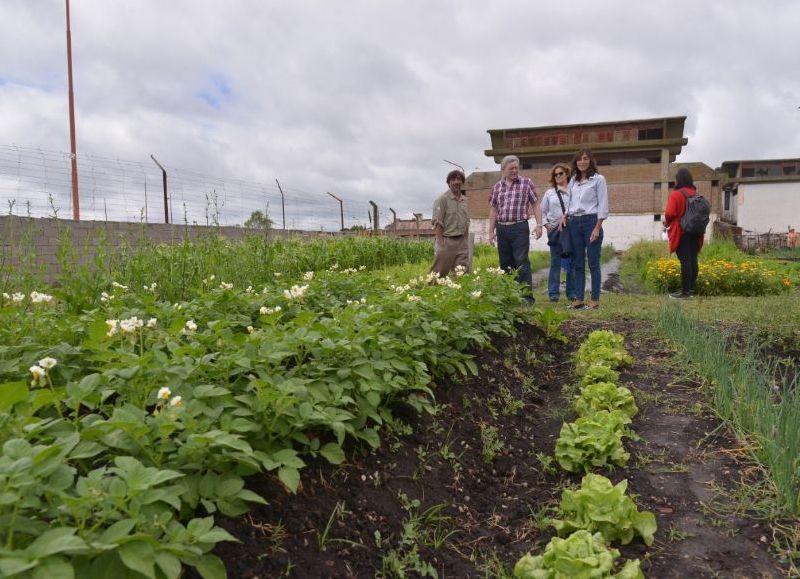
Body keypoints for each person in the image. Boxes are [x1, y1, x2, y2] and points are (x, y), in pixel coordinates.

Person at [488, 155, 543, 303]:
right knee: (505, 263)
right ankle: (510, 297)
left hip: (519, 227)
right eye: (511, 168)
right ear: (503, 169)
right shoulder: (497, 187)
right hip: (502, 229)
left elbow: (536, 204)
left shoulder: (526, 183)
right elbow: (493, 210)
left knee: (521, 261)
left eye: (516, 168)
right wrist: (490, 232)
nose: (514, 171)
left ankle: (526, 298)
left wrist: (539, 225)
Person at [563, 149, 608, 309]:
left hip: (591, 222)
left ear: (590, 161)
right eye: (579, 159)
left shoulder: (598, 179)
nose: (582, 162)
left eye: (585, 159)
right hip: (574, 222)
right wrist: (565, 215)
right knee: (578, 263)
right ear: (576, 163)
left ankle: (594, 300)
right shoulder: (573, 181)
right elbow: (571, 202)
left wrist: (597, 227)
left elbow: (603, 204)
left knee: (593, 262)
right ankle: (579, 299)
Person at [664, 167, 704, 298]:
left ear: (678, 180)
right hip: (696, 231)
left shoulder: (676, 194)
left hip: (682, 231)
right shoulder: (696, 194)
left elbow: (670, 213)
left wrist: (667, 222)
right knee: (693, 259)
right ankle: (690, 290)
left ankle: (685, 292)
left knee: (685, 261)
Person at [541, 163, 575, 302]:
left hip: (572, 230)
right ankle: (553, 293)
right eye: (555, 174)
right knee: (555, 261)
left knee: (572, 261)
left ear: (567, 174)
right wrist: (546, 224)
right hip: (555, 231)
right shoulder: (549, 193)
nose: (558, 176)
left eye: (561, 173)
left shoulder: (574, 190)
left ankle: (572, 292)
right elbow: (543, 211)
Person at [430, 169, 470, 277]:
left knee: (461, 273)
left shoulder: (464, 201)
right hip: (446, 241)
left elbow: (466, 221)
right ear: (448, 182)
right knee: (438, 273)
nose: (457, 182)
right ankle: (430, 291)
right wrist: (440, 243)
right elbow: (438, 222)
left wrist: (465, 240)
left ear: (462, 182)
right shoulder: (442, 199)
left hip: (462, 242)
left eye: (459, 179)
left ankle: (458, 293)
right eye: (453, 179)